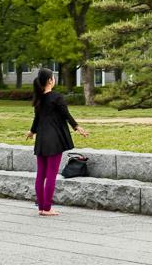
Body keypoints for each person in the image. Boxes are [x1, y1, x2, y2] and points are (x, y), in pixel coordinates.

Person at [25, 68, 88, 216]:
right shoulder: (56, 97)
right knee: (51, 175)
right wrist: (77, 127)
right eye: (53, 77)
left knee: (41, 174)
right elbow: (66, 114)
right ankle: (47, 208)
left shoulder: (39, 99)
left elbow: (37, 120)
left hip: (41, 140)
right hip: (54, 140)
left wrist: (32, 132)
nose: (54, 79)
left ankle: (41, 207)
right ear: (49, 80)